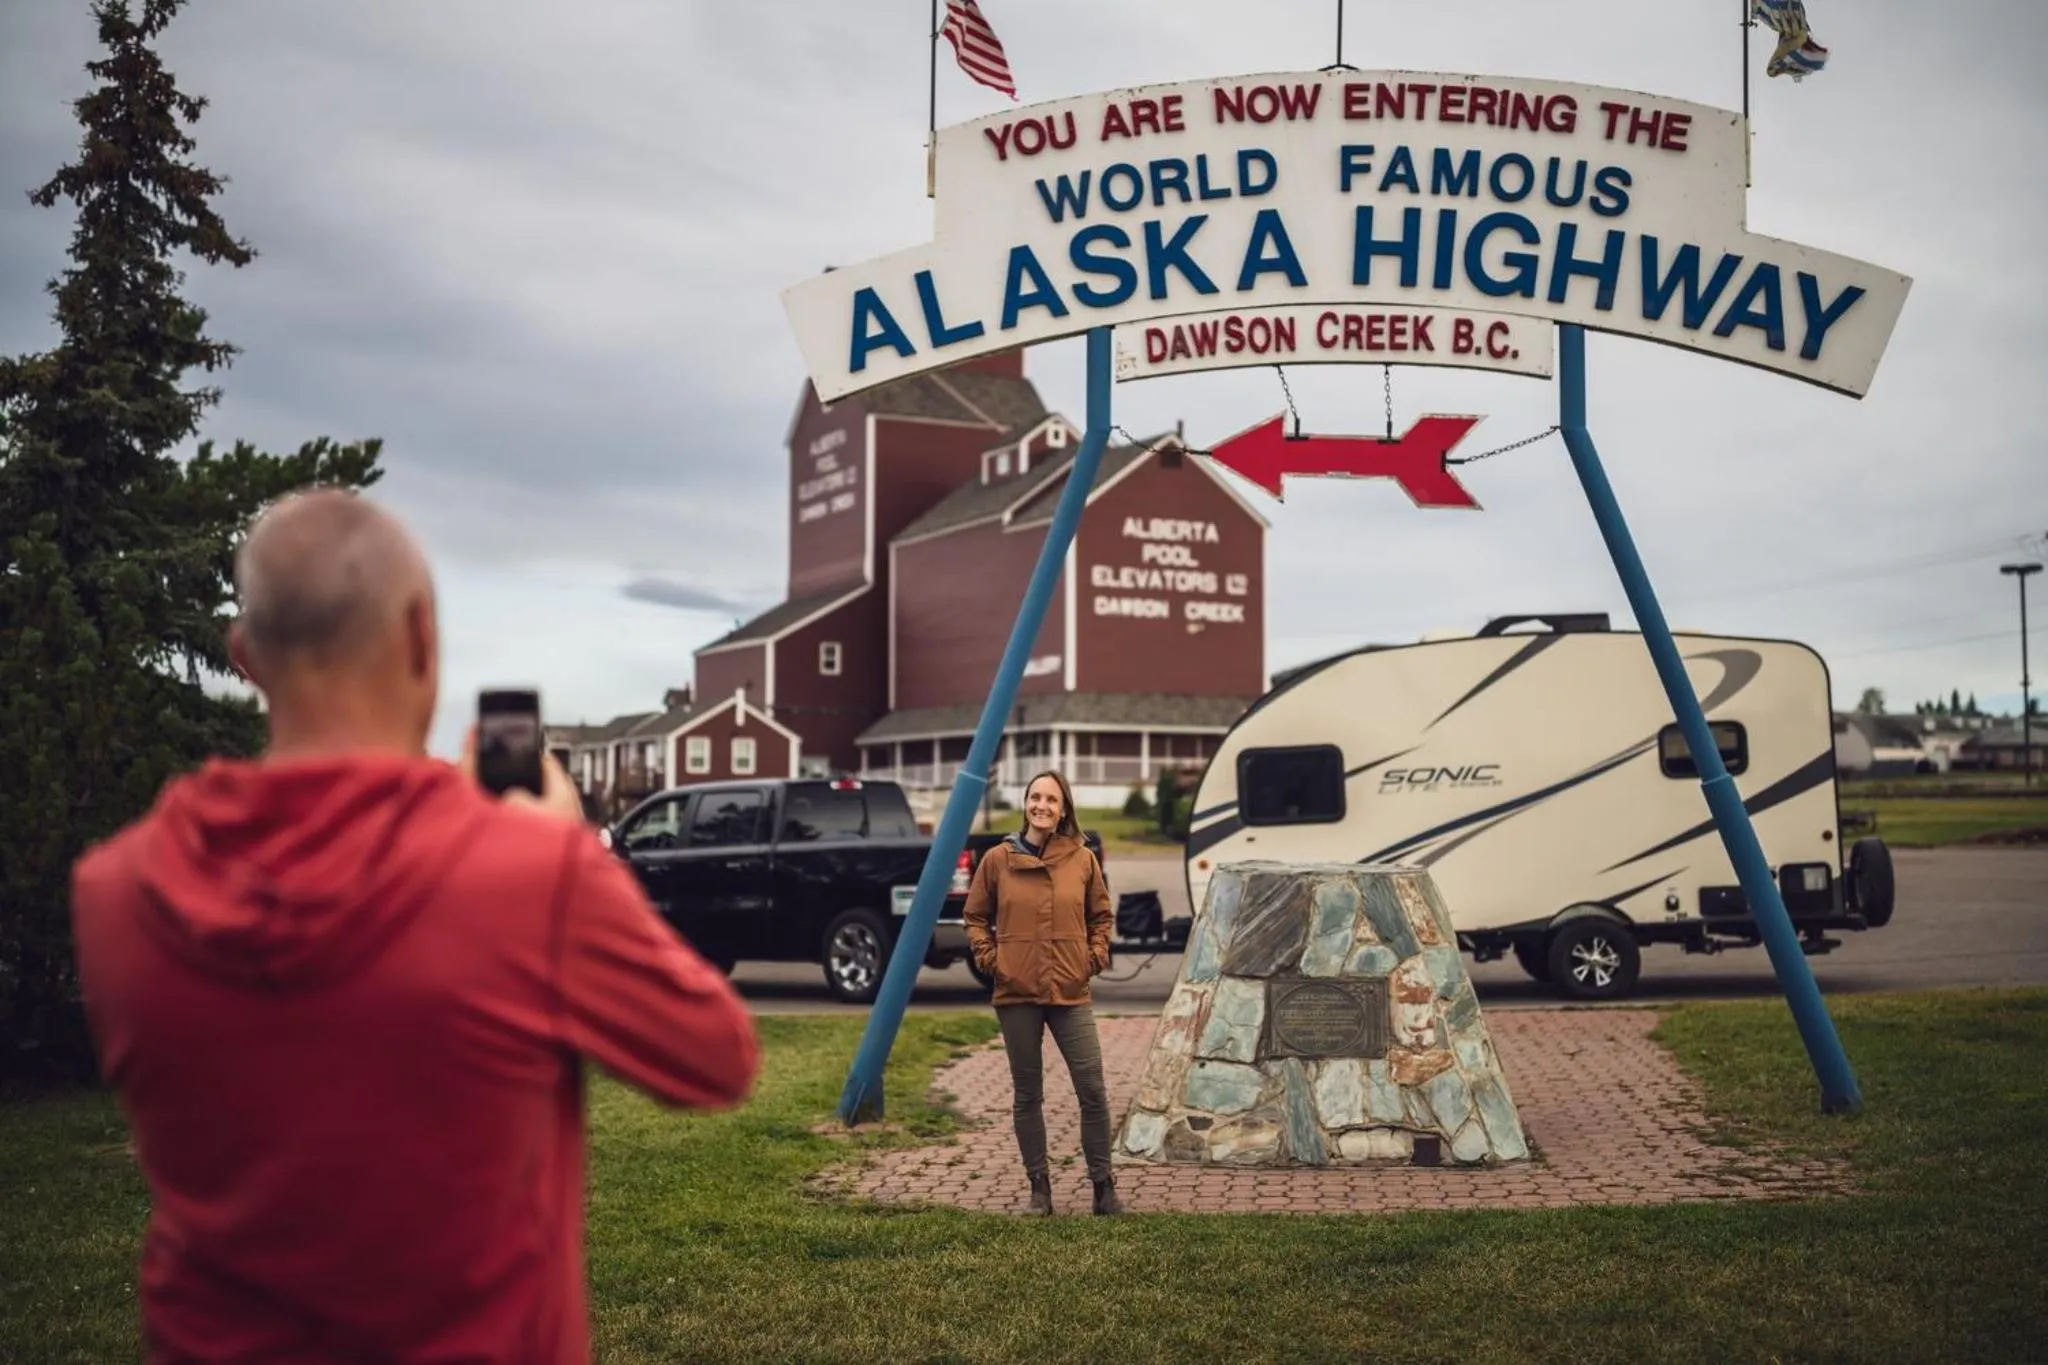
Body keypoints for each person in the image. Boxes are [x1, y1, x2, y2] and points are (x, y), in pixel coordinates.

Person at [69, 488, 761, 1363]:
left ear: (245, 656)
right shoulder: (535, 876)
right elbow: (718, 1057)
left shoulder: (113, 891)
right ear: (422, 638)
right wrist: (559, 850)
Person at [963, 768, 1123, 1216]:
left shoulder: (1082, 859)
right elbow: (975, 918)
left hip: (1070, 990)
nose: (1042, 806)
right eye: (1036, 797)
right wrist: (993, 961)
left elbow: (1101, 917)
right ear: (1025, 804)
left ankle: (1103, 1188)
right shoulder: (998, 860)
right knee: (1028, 1094)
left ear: (1064, 809)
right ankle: (1040, 1189)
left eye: (1052, 800)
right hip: (1017, 993)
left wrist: (1092, 958)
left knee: (1092, 1089)